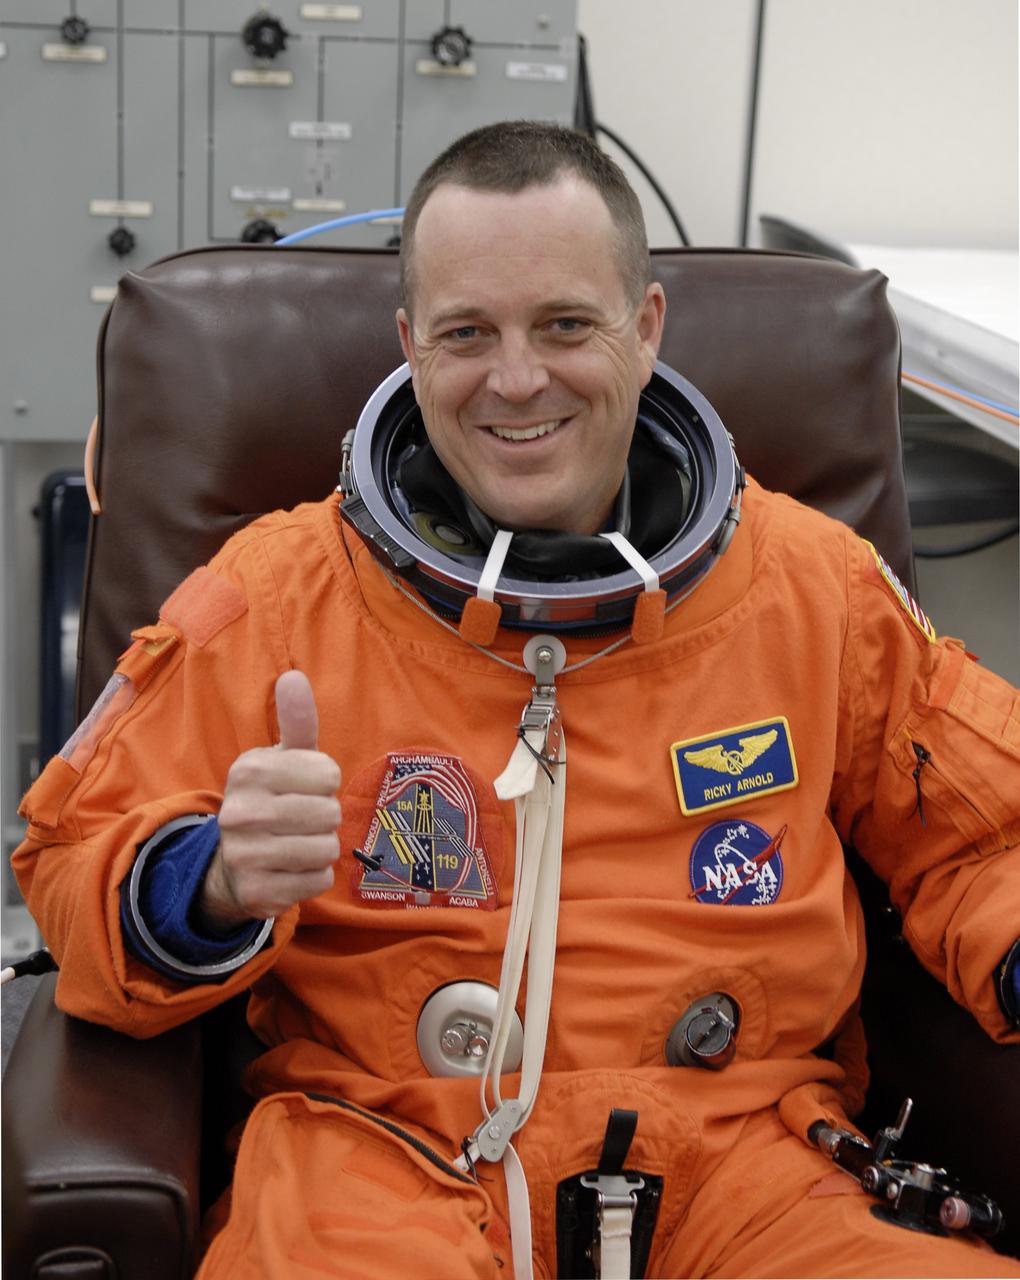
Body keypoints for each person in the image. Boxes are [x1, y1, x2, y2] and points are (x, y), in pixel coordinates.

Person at [13, 121, 1020, 1280]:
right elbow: (68, 854)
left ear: (646, 326)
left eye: (566, 325)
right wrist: (207, 881)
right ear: (410, 345)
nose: (518, 378)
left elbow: (985, 833)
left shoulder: (814, 588)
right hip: (381, 1155)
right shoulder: (273, 596)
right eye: (466, 333)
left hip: (751, 1162)